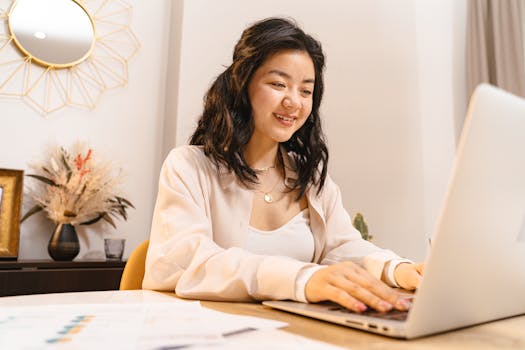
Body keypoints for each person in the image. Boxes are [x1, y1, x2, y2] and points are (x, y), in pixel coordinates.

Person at [143, 17, 424, 313]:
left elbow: (342, 247)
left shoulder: (310, 177)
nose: (294, 101)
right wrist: (302, 278)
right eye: (278, 84)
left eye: (305, 91)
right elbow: (186, 263)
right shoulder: (189, 167)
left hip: (292, 332)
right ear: (243, 85)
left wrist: (398, 270)